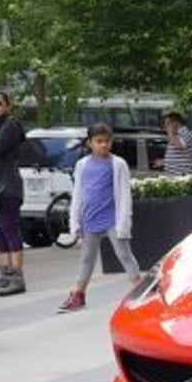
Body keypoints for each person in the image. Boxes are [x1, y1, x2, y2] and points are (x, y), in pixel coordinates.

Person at [58, 124, 139, 313]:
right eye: (99, 141)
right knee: (87, 259)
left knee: (124, 255)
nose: (103, 145)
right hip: (90, 219)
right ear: (90, 143)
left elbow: (124, 195)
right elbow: (78, 193)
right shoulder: (82, 165)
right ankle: (78, 295)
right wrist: (75, 221)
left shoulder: (118, 164)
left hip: (112, 219)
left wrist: (124, 223)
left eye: (107, 141)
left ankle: (140, 291)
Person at [0, 91, 28, 296]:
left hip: (8, 186)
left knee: (9, 229)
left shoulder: (11, 125)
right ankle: (6, 275)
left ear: (8, 106)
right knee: (0, 232)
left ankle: (17, 276)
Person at [162, 111, 192, 176]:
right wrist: (165, 161)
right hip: (174, 175)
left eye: (167, 124)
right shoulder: (176, 136)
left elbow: (180, 146)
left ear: (175, 123)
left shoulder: (186, 134)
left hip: (182, 175)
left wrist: (170, 133)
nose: (165, 127)